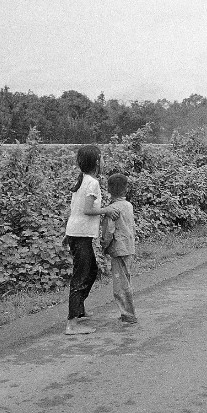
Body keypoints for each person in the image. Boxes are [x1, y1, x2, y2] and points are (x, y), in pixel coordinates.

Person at [64, 144, 119, 335]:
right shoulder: (92, 183)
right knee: (81, 275)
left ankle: (79, 310)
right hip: (80, 233)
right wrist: (107, 210)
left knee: (91, 270)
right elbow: (87, 210)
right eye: (102, 158)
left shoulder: (83, 179)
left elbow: (76, 208)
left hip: (77, 232)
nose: (104, 161)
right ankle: (72, 324)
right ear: (97, 162)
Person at [100, 173, 138, 325]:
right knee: (126, 280)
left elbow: (108, 231)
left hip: (118, 249)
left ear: (108, 189)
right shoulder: (128, 206)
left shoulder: (112, 209)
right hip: (129, 247)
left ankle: (128, 314)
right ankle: (128, 313)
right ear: (126, 189)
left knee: (120, 285)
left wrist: (103, 246)